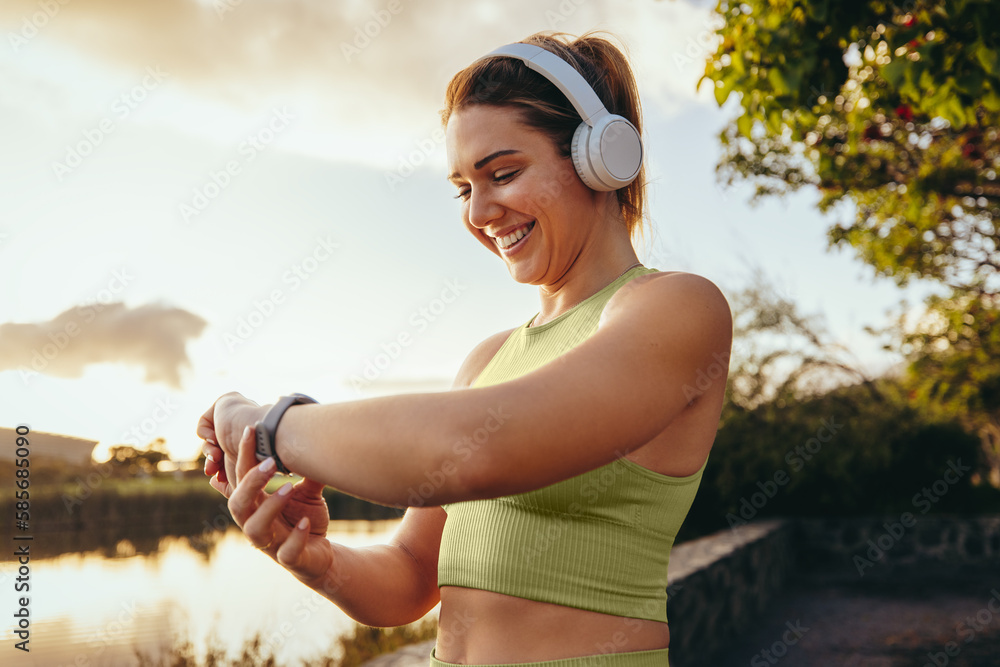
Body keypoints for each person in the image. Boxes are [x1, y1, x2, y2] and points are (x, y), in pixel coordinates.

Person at [198, 30, 732, 667]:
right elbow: (412, 573)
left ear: (602, 159)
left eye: (502, 174)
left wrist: (268, 426)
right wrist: (320, 561)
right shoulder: (487, 361)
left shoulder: (677, 308)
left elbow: (474, 448)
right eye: (461, 187)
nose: (480, 212)